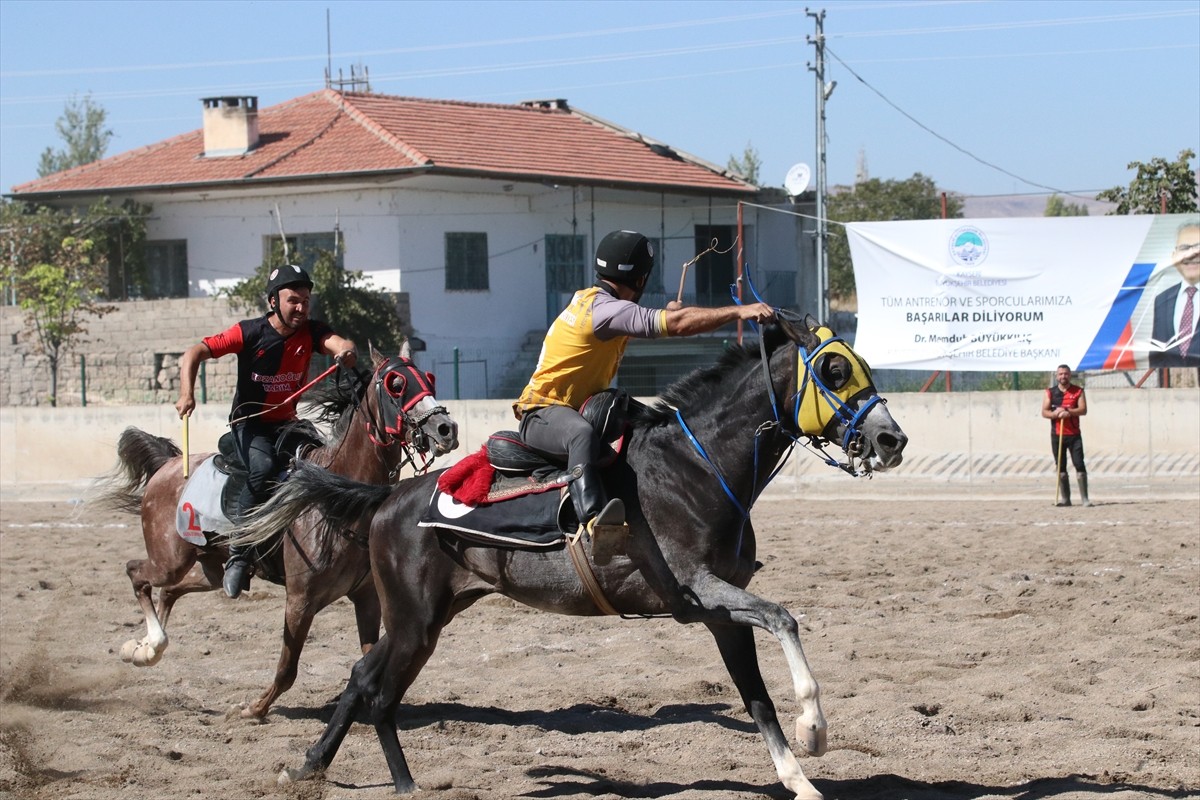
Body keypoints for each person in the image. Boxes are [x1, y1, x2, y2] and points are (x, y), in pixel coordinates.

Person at [513, 229, 775, 541]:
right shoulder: (607, 311)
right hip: (541, 416)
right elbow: (673, 325)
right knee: (580, 434)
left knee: (657, 427)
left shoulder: (592, 302)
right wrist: (740, 311)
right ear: (640, 280)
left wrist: (670, 314)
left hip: (575, 409)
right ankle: (593, 521)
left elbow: (657, 319)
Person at [175, 264, 357, 598]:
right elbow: (194, 352)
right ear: (274, 301)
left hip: (288, 424)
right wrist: (187, 392)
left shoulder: (312, 332)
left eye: (305, 300)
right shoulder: (249, 333)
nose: (301, 307)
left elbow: (337, 342)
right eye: (293, 300)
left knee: (324, 462)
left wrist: (345, 349)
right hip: (249, 424)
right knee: (263, 469)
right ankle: (239, 556)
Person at [1149, 220, 1200, 368]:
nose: (1191, 255)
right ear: (1174, 256)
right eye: (1185, 248)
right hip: (1171, 385)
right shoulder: (1162, 300)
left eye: (1198, 247)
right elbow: (1156, 355)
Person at [1041, 364, 1090, 507]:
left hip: (1074, 435)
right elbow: (1045, 412)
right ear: (1057, 376)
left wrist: (1068, 411)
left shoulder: (1078, 391)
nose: (1063, 376)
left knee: (1079, 464)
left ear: (1070, 375)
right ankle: (1065, 499)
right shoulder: (1050, 392)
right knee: (1061, 467)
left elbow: (1083, 410)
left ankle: (1085, 499)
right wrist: (1055, 413)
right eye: (1061, 374)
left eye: (1066, 374)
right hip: (1057, 435)